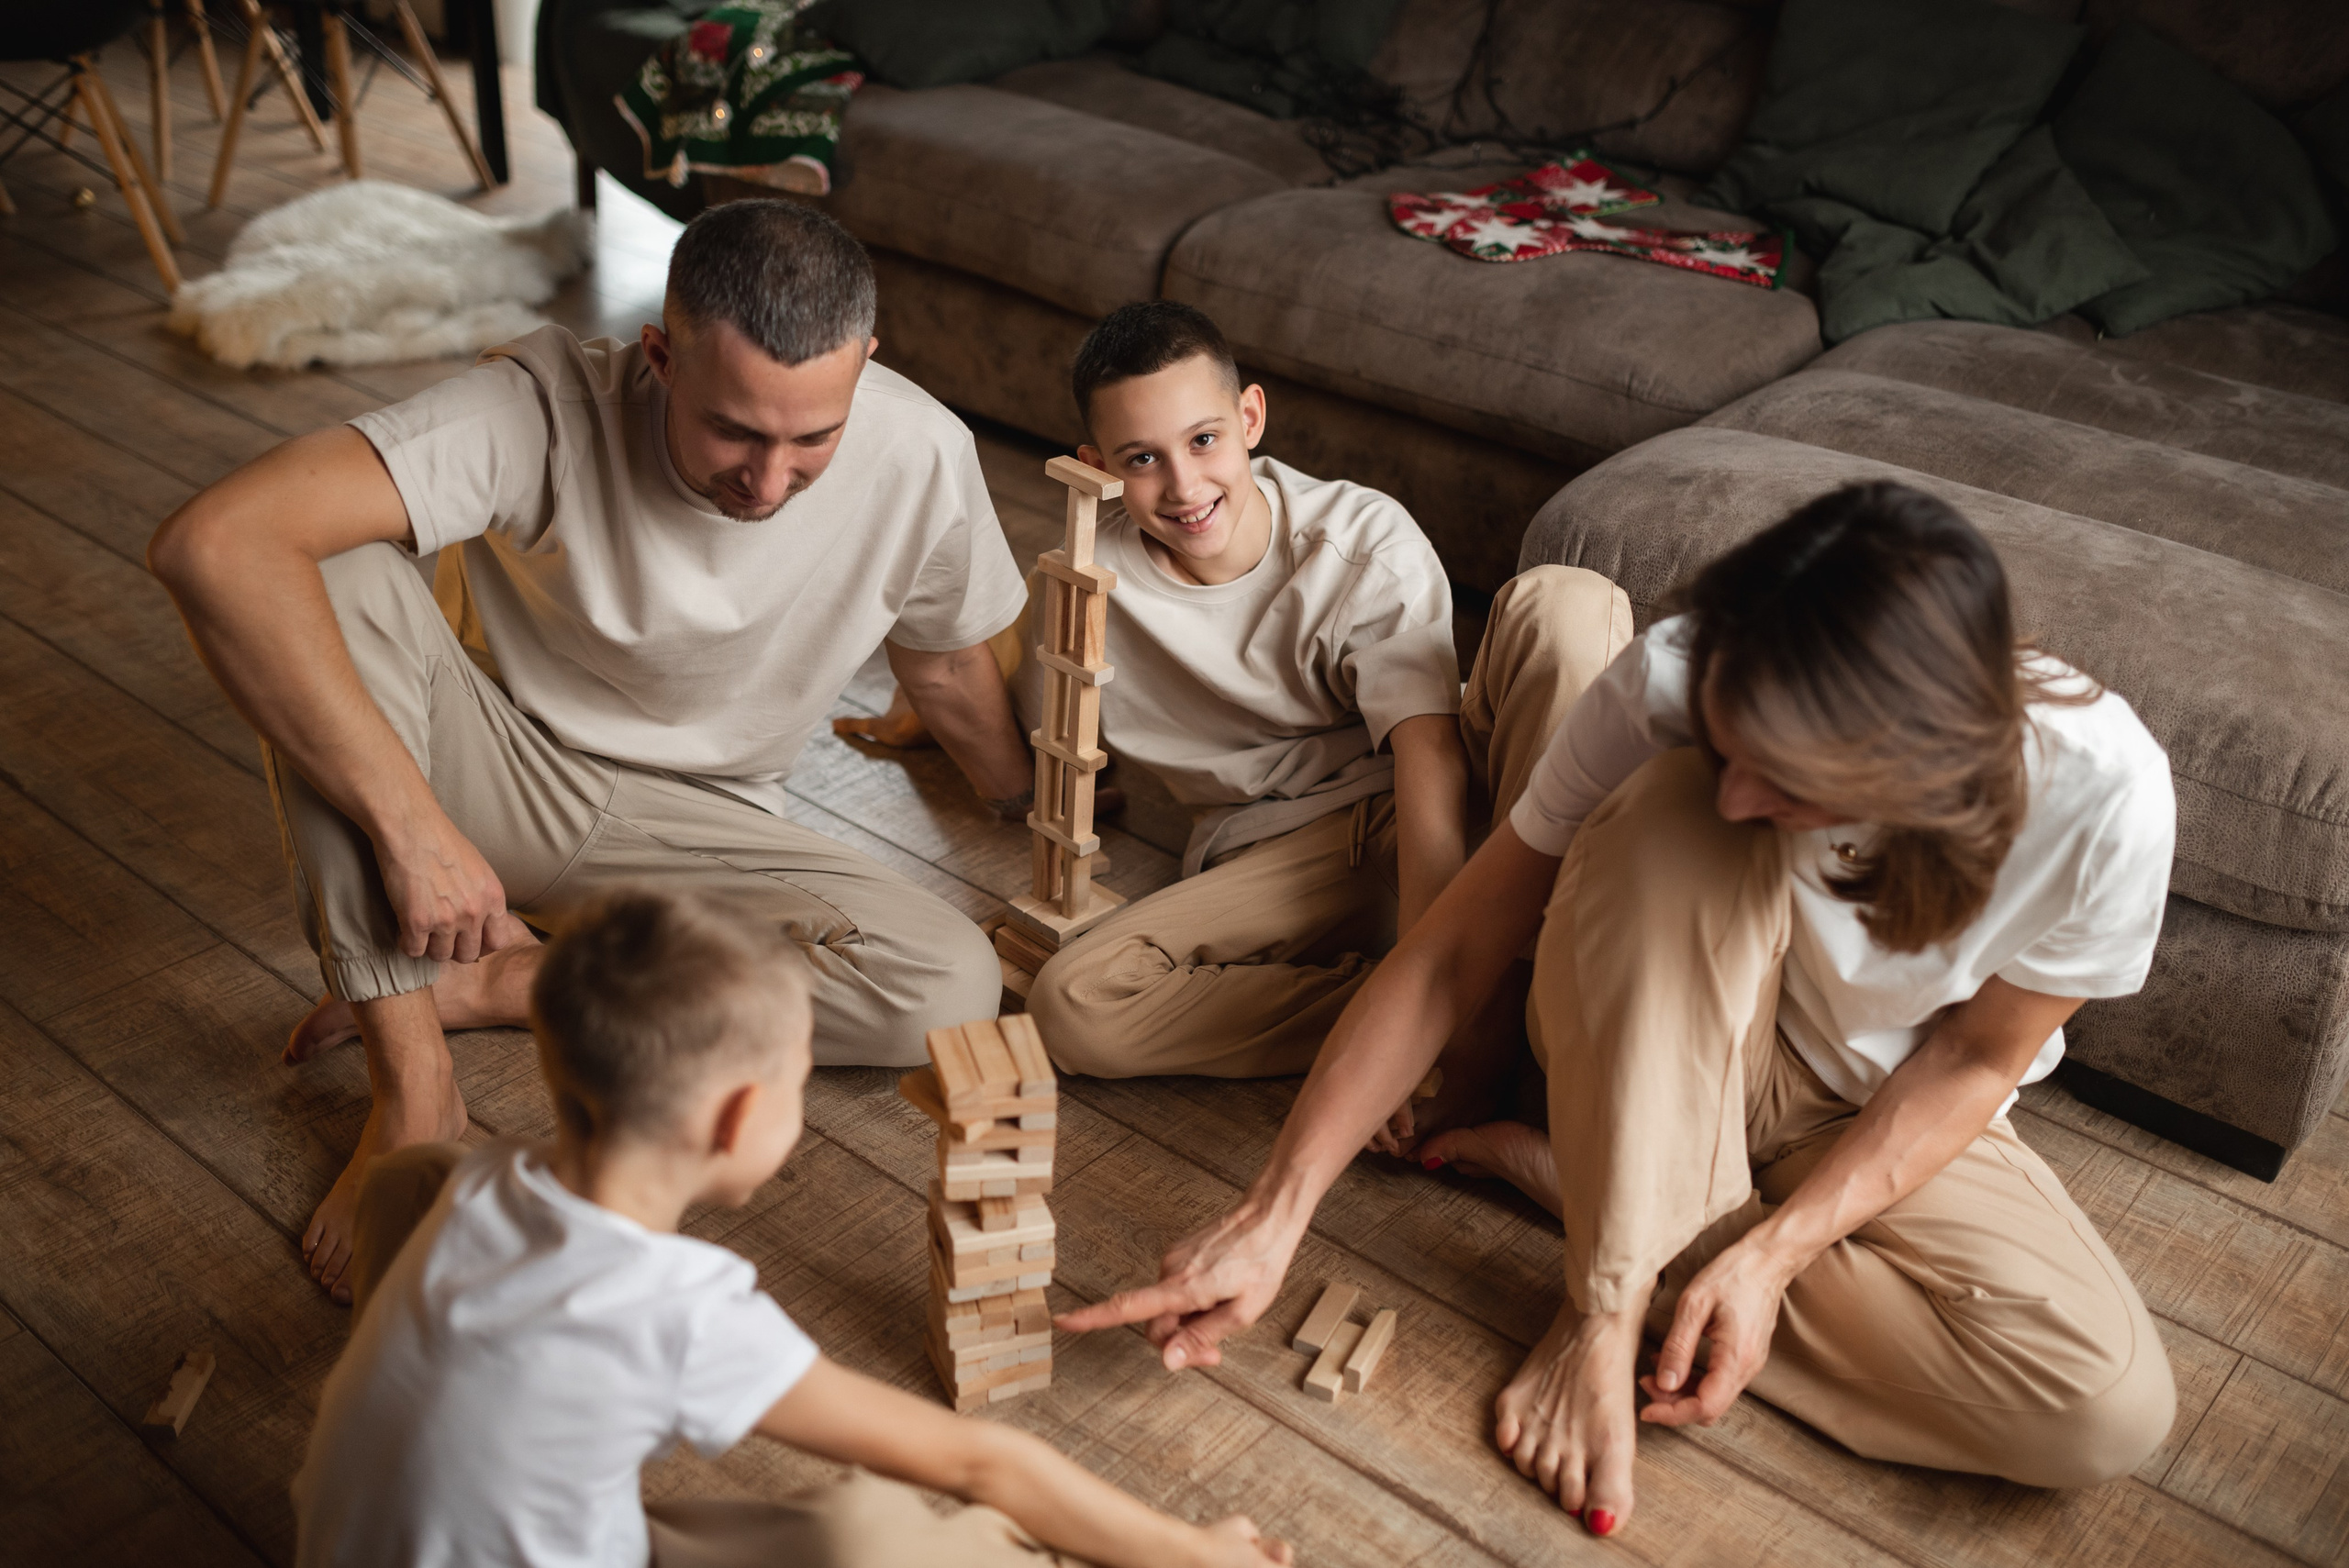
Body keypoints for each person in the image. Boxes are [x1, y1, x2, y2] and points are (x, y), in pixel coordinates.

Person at [1060, 484, 2180, 1535]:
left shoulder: (2106, 797)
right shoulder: (1673, 678)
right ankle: (1604, 1300)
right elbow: (1454, 950)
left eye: (1784, 781)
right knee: (1674, 811)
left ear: (1915, 764)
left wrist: (1774, 1255)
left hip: (1871, 1109)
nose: (1746, 794)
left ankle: (1604, 1200)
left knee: (2099, 1405)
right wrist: (1274, 1212)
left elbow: (1979, 1061)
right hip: (1661, 1024)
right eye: (1732, 740)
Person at [147, 199, 1032, 1305]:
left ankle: (507, 978)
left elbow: (946, 667)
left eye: (813, 438)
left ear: (867, 366)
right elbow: (215, 543)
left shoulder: (923, 451)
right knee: (330, 575)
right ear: (661, 356)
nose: (768, 482)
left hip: (704, 832)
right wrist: (416, 831)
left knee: (952, 981)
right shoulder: (543, 405)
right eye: (735, 432)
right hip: (492, 780)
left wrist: (1023, 804)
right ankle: (415, 1075)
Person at [293, 886, 1292, 1568]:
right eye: (799, 1078)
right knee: (877, 1526)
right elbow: (979, 1460)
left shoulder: (477, 1188)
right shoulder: (674, 1309)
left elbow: (413, 1187)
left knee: (417, 1172)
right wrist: (1194, 1550)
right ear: (736, 1118)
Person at [1017, 301, 1482, 1078]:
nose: (1183, 485)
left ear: (1250, 416)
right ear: (1098, 466)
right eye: (1142, 459)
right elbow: (1051, 732)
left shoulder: (1363, 543)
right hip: (1273, 853)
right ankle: (1406, 1011)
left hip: (1423, 807)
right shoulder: (1083, 585)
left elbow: (1430, 755)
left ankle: (1436, 1005)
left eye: (1203, 440)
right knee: (1073, 1005)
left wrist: (1428, 972)